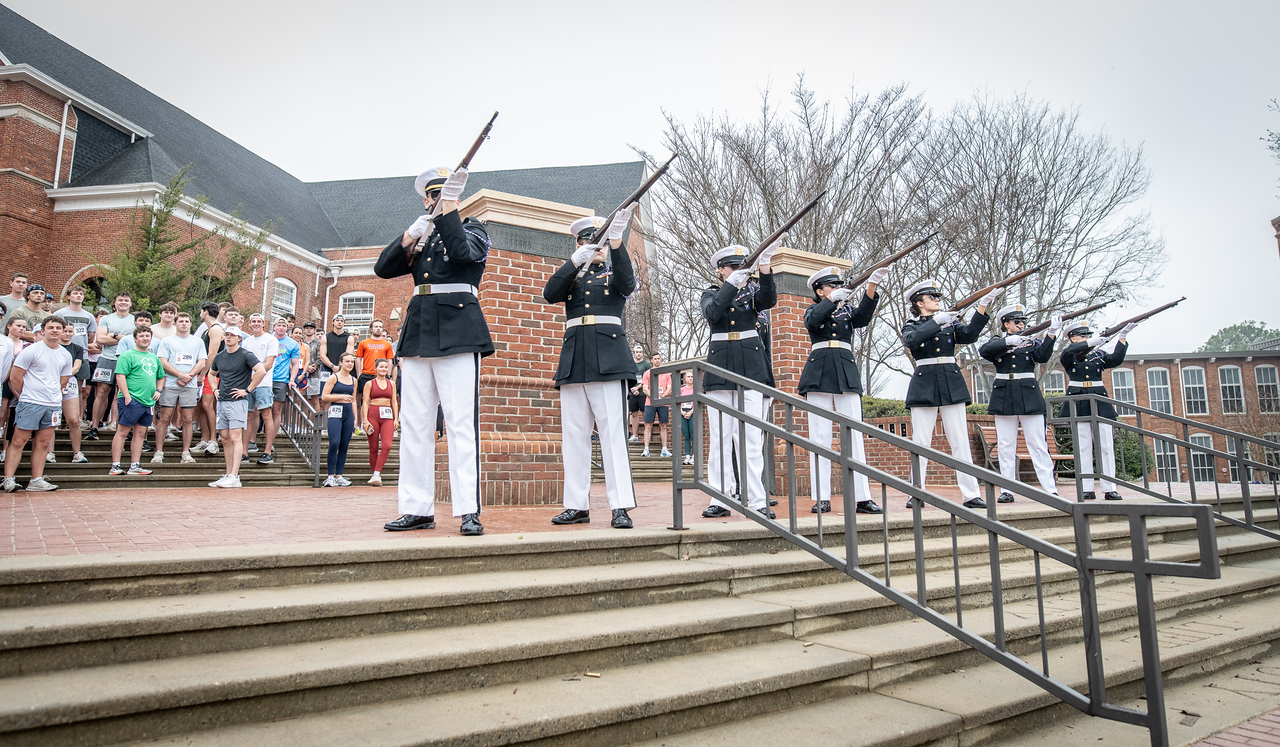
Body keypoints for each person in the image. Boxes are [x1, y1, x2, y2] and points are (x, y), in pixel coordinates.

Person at [376, 165, 491, 536]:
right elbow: (383, 268)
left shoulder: (473, 228)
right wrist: (411, 233)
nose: (435, 200)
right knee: (414, 426)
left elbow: (462, 253)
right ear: (424, 199)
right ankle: (416, 507)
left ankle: (468, 509)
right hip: (419, 332)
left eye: (443, 193)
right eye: (431, 195)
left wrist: (447, 214)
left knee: (459, 425)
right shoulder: (422, 234)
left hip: (458, 329)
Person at [542, 210, 639, 529]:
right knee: (574, 436)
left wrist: (615, 242)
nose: (594, 248)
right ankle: (576, 505)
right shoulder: (572, 275)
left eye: (598, 243)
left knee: (613, 436)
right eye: (589, 242)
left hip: (609, 359)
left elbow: (628, 282)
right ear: (578, 243)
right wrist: (574, 261)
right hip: (574, 360)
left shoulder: (614, 272)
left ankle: (620, 505)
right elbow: (549, 293)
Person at [901, 279, 1001, 509]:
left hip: (950, 380)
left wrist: (982, 308)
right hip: (924, 381)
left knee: (960, 441)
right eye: (932, 297)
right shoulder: (912, 325)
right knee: (921, 442)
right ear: (919, 302)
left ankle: (971, 494)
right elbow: (912, 341)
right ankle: (915, 491)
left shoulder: (950, 324)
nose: (937, 300)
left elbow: (970, 335)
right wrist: (937, 322)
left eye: (938, 297)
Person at [699, 241, 780, 519]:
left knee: (750, 438)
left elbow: (769, 299)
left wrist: (766, 265)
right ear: (721, 270)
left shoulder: (754, 293)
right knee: (721, 438)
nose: (739, 271)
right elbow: (713, 313)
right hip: (720, 367)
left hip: (751, 367)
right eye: (733, 267)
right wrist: (732, 284)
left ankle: (756, 500)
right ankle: (720, 497)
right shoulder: (711, 293)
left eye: (742, 266)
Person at [799, 265, 888, 515]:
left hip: (846, 373)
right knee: (820, 437)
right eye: (832, 285)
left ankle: (862, 497)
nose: (838, 289)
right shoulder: (814, 308)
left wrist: (871, 286)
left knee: (855, 437)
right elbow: (813, 321)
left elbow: (863, 317)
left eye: (839, 286)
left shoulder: (848, 311)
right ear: (819, 290)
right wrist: (830, 300)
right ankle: (822, 496)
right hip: (818, 374)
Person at [977, 305, 1063, 501]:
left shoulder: (1031, 342)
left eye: (1022, 321)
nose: (1021, 324)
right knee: (1006, 446)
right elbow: (985, 350)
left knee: (1038, 443)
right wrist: (1008, 341)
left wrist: (1051, 334)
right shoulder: (998, 342)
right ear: (1006, 324)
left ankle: (1049, 488)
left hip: (1028, 394)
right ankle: (1007, 489)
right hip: (1004, 394)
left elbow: (1042, 356)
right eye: (1017, 321)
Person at [1060, 320, 1137, 501]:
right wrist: (1089, 344)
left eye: (1089, 335)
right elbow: (1066, 354)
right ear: (1072, 338)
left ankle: (1109, 487)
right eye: (1083, 335)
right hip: (1078, 400)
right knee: (1083, 447)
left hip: (1099, 400)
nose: (1088, 338)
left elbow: (1116, 359)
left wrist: (1122, 337)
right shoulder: (1070, 354)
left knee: (1106, 446)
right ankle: (1087, 487)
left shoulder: (1098, 355)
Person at [2, 316, 71, 492]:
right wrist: (24, 396)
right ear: (43, 330)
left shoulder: (65, 354)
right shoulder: (31, 350)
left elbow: (63, 380)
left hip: (53, 404)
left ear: (63, 331)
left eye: (58, 328)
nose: (54, 330)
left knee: (43, 443)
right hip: (30, 403)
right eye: (50, 327)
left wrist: (52, 395)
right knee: (18, 441)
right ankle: (8, 479)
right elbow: (15, 377)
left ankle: (36, 480)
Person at [208, 325, 266, 488]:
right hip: (223, 400)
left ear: (239, 338)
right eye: (226, 335)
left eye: (232, 335)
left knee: (235, 437)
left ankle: (235, 475)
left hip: (237, 401)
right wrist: (214, 389)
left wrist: (247, 390)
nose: (228, 337)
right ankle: (228, 474)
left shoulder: (245, 355)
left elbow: (260, 370)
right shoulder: (220, 356)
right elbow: (211, 374)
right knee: (225, 438)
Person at [108, 325, 164, 476]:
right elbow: (120, 375)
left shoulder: (154, 357)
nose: (145, 339)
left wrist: (158, 390)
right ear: (135, 339)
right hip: (131, 399)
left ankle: (135, 465)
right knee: (122, 432)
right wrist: (126, 395)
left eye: (147, 336)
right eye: (141, 336)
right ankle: (115, 465)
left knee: (140, 433)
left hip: (148, 401)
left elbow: (161, 376)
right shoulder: (128, 355)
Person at [153, 312, 207, 464]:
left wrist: (188, 376)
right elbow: (162, 361)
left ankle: (186, 453)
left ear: (191, 324)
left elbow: (201, 362)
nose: (184, 323)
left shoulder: (197, 342)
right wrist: (179, 375)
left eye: (186, 321)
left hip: (189, 385)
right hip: (170, 383)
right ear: (175, 324)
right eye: (181, 321)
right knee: (164, 418)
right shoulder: (167, 341)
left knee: (188, 419)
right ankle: (158, 452)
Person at [90, 292, 135, 440]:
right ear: (114, 303)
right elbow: (101, 339)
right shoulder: (106, 319)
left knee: (119, 394)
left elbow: (135, 341)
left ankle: (115, 426)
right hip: (107, 358)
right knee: (101, 392)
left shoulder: (134, 320)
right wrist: (123, 338)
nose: (123, 302)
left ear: (130, 303)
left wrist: (113, 336)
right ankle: (94, 426)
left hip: (126, 360)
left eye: (126, 300)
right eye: (120, 300)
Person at [54, 287, 98, 432]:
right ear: (68, 296)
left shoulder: (89, 316)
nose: (79, 296)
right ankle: (59, 417)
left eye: (81, 294)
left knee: (78, 389)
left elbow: (91, 336)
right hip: (60, 351)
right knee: (58, 385)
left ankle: (77, 418)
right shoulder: (60, 313)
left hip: (82, 354)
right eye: (75, 293)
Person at [239, 313, 278, 461]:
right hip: (247, 384)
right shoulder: (246, 342)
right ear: (249, 324)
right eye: (253, 321)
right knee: (248, 416)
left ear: (263, 323)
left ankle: (267, 451)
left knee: (266, 415)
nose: (256, 323)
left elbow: (268, 363)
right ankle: (244, 452)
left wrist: (254, 376)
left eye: (259, 321)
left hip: (264, 384)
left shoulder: (271, 340)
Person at [265, 317, 300, 463]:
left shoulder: (292, 343)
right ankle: (253, 440)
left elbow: (295, 363)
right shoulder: (267, 339)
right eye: (278, 325)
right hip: (264, 377)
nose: (281, 327)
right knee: (257, 409)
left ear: (287, 328)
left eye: (283, 325)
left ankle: (270, 441)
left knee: (276, 410)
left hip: (280, 379)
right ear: (274, 327)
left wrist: (292, 380)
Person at [52, 321, 87, 464]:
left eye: (69, 331)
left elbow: (76, 367)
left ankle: (77, 453)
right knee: (52, 420)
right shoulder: (53, 347)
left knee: (74, 419)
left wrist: (63, 375)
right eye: (64, 331)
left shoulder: (77, 348)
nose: (67, 334)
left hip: (69, 382)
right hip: (52, 382)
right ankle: (50, 452)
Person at [322, 352, 357, 487]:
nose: (350, 364)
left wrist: (355, 419)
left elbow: (353, 400)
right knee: (334, 442)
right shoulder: (333, 378)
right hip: (335, 412)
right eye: (347, 361)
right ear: (340, 363)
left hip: (348, 414)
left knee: (344, 444)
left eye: (352, 362)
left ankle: (339, 475)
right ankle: (330, 475)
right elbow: (325, 396)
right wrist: (341, 397)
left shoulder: (353, 380)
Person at [361, 357, 398, 486]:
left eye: (385, 367)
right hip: (373, 414)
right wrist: (365, 420)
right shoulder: (369, 383)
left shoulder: (392, 384)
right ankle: (375, 475)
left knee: (387, 445)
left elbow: (394, 402)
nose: (383, 369)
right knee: (374, 447)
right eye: (381, 367)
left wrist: (396, 418)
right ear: (375, 368)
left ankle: (377, 473)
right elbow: (365, 402)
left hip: (387, 415)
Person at [194, 303, 224, 455]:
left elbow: (212, 354)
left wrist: (203, 373)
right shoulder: (207, 330)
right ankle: (205, 439)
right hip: (204, 372)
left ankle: (213, 440)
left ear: (205, 312)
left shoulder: (216, 329)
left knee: (208, 405)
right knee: (201, 406)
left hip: (213, 374)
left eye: (201, 311)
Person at [354, 319, 394, 419]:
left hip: (381, 376)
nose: (378, 329)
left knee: (383, 399)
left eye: (380, 327)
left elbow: (389, 360)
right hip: (366, 374)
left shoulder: (387, 344)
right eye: (376, 327)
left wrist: (388, 374)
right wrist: (359, 374)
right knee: (363, 400)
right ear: (371, 329)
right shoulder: (363, 343)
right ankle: (362, 424)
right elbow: (358, 358)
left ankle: (383, 421)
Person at [640, 352, 671, 459]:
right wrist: (654, 398)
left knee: (663, 426)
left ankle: (664, 449)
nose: (657, 360)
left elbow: (669, 388)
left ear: (660, 360)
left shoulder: (666, 373)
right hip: (650, 402)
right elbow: (645, 389)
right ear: (652, 361)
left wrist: (661, 398)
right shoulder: (647, 373)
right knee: (648, 426)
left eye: (658, 358)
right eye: (655, 359)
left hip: (663, 402)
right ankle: (646, 449)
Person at [628, 344, 650, 442]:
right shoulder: (630, 364)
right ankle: (635, 435)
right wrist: (632, 388)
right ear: (634, 353)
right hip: (632, 393)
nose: (638, 354)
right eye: (637, 352)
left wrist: (638, 387)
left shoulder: (646, 365)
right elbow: (627, 377)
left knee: (645, 413)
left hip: (643, 393)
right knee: (634, 414)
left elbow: (648, 378)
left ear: (642, 353)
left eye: (640, 352)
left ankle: (646, 435)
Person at [301, 321, 323, 411]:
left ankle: (315, 424)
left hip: (314, 374)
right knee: (303, 399)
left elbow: (320, 357)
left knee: (315, 399)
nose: (309, 330)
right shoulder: (300, 342)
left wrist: (311, 368)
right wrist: (305, 369)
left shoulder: (318, 343)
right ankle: (303, 423)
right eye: (307, 328)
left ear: (314, 330)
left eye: (311, 328)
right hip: (302, 373)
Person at [678, 372, 695, 465]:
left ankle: (694, 456)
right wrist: (682, 412)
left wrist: (691, 412)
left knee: (693, 435)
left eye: (692, 377)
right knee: (686, 435)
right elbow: (678, 402)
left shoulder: (695, 389)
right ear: (685, 379)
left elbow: (697, 402)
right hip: (683, 413)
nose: (690, 378)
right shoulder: (682, 389)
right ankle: (687, 456)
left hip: (692, 412)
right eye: (688, 377)